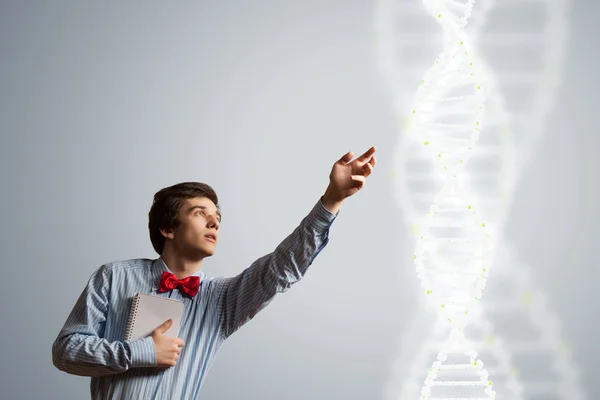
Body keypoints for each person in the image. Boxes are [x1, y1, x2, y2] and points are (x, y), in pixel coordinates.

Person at [52, 146, 377, 399]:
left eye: (216, 215)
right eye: (199, 213)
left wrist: (332, 201)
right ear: (168, 228)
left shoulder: (223, 299)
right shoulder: (113, 277)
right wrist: (141, 352)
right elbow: (66, 352)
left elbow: (282, 267)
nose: (214, 221)